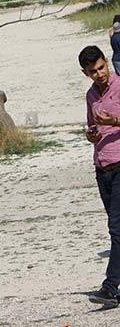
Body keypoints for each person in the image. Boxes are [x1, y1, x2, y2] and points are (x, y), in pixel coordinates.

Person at [80, 45, 120, 307]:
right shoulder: (90, 96)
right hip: (102, 167)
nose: (99, 74)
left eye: (101, 67)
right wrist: (91, 135)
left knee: (117, 230)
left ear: (107, 61)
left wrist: (114, 122)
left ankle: (110, 287)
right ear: (85, 73)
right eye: (93, 71)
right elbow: (92, 127)